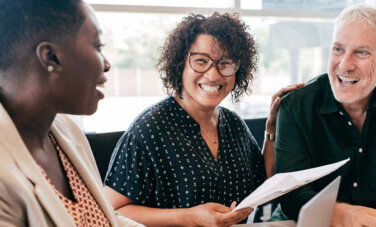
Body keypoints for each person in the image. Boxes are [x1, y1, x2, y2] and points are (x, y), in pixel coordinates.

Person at [104, 12, 303, 227]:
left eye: (225, 63)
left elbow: (263, 181)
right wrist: (190, 217)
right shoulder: (149, 129)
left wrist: (272, 127)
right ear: (180, 63)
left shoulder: (233, 124)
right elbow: (111, 211)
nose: (214, 75)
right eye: (201, 61)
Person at [0, 0, 142, 226]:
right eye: (97, 46)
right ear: (51, 57)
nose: (106, 65)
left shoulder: (65, 129)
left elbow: (104, 219)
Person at [275, 3, 376, 227]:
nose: (345, 65)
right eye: (338, 49)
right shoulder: (296, 106)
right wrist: (344, 215)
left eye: (361, 52)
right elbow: (291, 194)